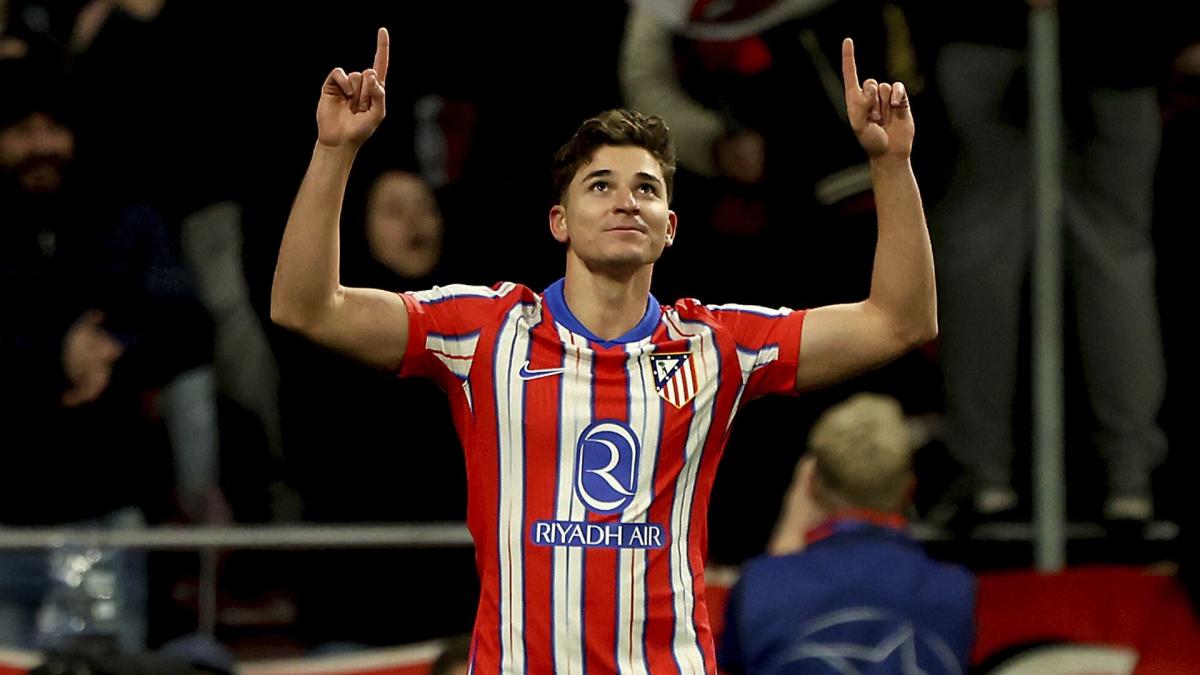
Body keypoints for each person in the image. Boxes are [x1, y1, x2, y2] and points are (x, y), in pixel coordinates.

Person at [271, 28, 935, 673]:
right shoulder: (485, 329)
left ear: (669, 228)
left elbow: (900, 321)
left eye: (647, 188)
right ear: (559, 219)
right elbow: (306, 307)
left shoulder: (718, 344)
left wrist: (891, 163)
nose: (627, 201)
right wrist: (335, 150)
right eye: (601, 185)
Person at [719, 393, 975, 674]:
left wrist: (787, 534)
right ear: (910, 488)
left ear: (811, 485)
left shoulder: (761, 585)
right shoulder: (954, 592)